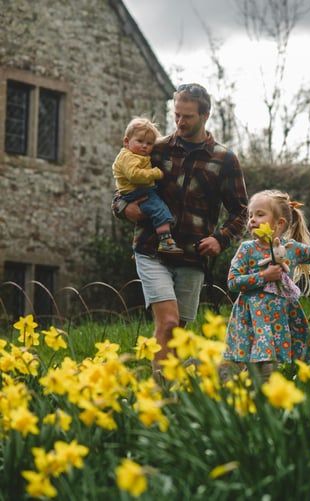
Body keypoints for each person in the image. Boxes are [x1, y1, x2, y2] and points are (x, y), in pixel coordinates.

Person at [112, 83, 248, 376]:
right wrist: (125, 209)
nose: (180, 122)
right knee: (169, 321)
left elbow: (241, 211)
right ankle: (159, 391)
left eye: (187, 116)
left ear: (205, 114)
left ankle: (170, 392)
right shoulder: (155, 149)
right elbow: (122, 189)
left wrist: (220, 239)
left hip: (193, 256)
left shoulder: (224, 160)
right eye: (176, 115)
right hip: (151, 250)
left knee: (178, 333)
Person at [223, 189, 310, 381]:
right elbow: (232, 282)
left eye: (259, 214)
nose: (252, 220)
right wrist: (263, 276)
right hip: (252, 317)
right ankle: (241, 390)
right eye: (250, 216)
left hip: (278, 317)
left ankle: (262, 397)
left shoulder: (291, 249)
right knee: (255, 361)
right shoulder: (247, 249)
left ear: (279, 223)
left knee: (268, 363)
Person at [112, 117, 182, 254]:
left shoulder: (133, 154)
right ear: (126, 141)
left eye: (149, 143)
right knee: (159, 209)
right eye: (140, 141)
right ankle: (165, 241)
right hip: (137, 192)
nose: (145, 146)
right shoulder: (129, 157)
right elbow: (134, 175)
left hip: (134, 191)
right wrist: (155, 173)